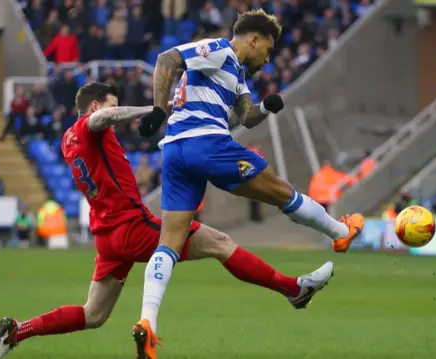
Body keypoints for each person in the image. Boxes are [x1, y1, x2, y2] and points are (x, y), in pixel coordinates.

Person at [0, 82, 334, 359]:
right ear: (93, 106)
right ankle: (294, 290)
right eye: (110, 103)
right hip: (132, 226)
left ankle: (18, 331)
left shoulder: (67, 141)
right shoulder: (91, 126)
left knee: (94, 315)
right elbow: (101, 118)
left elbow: (99, 127)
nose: (113, 111)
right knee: (221, 243)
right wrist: (149, 109)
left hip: (106, 236)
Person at [135, 9, 364, 358]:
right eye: (267, 50)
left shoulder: (237, 77)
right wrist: (157, 110)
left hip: (176, 155)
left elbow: (246, 117)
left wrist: (267, 107)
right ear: (253, 39)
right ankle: (339, 232)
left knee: (170, 242)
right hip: (207, 143)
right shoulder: (218, 50)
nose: (267, 58)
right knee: (281, 191)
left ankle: (147, 321)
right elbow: (169, 58)